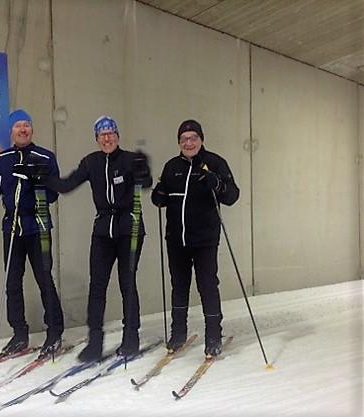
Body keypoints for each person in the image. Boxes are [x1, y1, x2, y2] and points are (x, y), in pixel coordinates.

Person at [23, 115, 152, 362]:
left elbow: (146, 183)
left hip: (129, 228)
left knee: (127, 283)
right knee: (97, 286)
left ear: (117, 136)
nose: (107, 138)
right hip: (103, 230)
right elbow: (66, 185)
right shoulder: (91, 162)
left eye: (110, 133)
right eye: (102, 135)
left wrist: (143, 170)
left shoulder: (128, 159)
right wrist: (43, 177)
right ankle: (94, 342)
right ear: (97, 138)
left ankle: (131, 337)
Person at [0, 109, 64, 357]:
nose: (23, 129)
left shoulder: (45, 157)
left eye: (26, 125)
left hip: (38, 225)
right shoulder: (2, 159)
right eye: (18, 126)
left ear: (32, 129)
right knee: (12, 282)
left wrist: (36, 179)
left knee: (44, 278)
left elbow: (53, 194)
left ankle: (55, 331)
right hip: (12, 226)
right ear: (11, 131)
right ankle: (19, 333)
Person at [151, 119, 239, 357]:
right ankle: (178, 333)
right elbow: (160, 197)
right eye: (183, 139)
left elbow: (232, 195)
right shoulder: (172, 166)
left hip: (204, 240)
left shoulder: (215, 163)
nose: (188, 143)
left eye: (193, 138)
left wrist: (217, 183)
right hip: (176, 239)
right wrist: (158, 195)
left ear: (201, 139)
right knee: (179, 286)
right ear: (179, 142)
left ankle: (213, 336)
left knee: (207, 286)